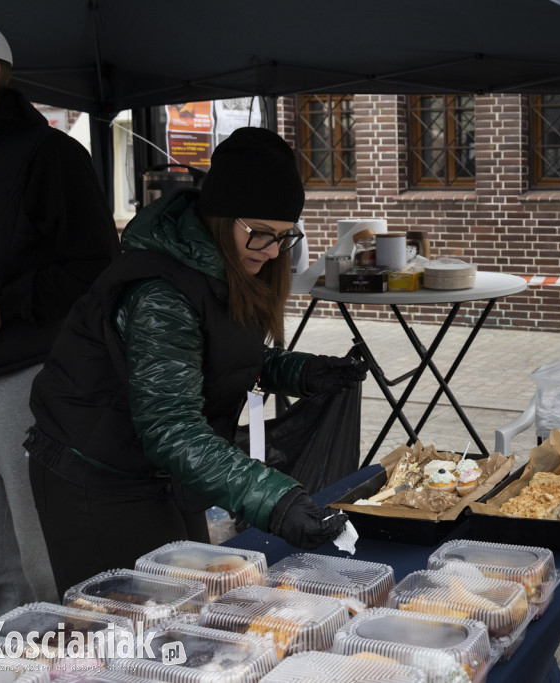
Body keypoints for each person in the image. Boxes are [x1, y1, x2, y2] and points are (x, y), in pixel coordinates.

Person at [25, 127, 367, 593]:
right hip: (97, 475)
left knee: (192, 602)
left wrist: (301, 371)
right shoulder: (160, 293)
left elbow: (215, 358)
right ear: (220, 217)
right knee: (130, 625)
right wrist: (273, 500)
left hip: (163, 469)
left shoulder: (223, 267)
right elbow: (170, 424)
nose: (270, 253)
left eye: (284, 238)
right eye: (260, 235)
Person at [0, 17, 120, 625]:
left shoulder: (49, 153)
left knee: (35, 525)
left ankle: (66, 636)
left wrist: (9, 304)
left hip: (19, 368)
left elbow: (94, 264)